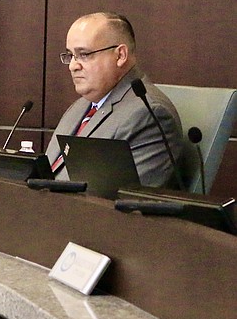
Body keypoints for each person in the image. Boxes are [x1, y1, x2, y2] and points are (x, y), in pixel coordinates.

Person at [45, 12, 184, 188]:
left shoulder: (150, 115)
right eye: (70, 55)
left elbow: (118, 199)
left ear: (120, 55)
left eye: (84, 54)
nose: (73, 66)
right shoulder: (80, 107)